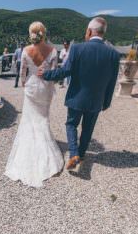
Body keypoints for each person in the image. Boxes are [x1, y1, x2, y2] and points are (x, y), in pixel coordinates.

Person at [40, 17, 121, 172]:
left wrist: (46, 74)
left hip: (76, 98)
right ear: (103, 33)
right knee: (88, 129)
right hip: (97, 100)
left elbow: (65, 71)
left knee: (71, 124)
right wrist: (106, 102)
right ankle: (81, 154)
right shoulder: (113, 54)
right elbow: (112, 82)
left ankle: (74, 154)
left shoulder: (77, 49)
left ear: (89, 31)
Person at [4, 21, 64, 187]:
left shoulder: (25, 50)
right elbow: (54, 72)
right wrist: (46, 79)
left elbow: (22, 72)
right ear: (44, 33)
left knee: (30, 119)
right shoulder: (52, 50)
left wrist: (25, 83)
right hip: (45, 88)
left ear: (31, 34)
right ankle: (45, 150)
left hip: (31, 88)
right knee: (43, 118)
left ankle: (31, 148)